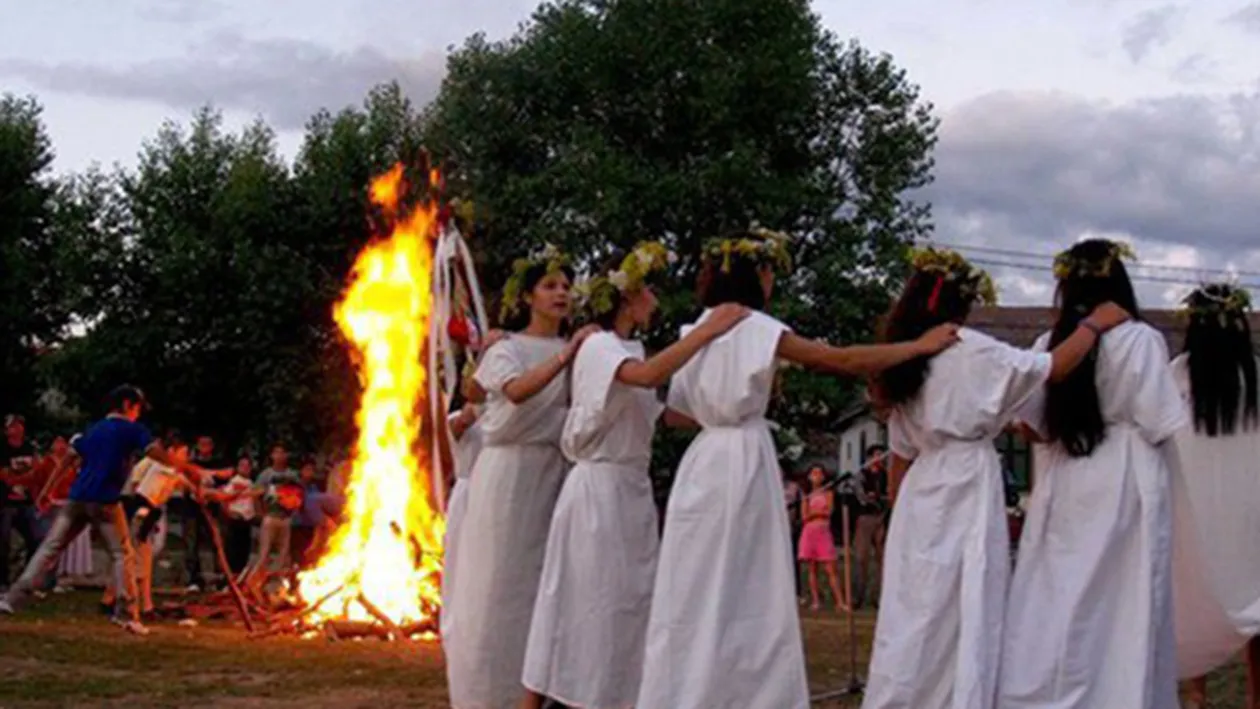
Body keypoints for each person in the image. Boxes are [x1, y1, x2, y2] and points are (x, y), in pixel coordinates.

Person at [636, 228, 960, 709]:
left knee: (695, 583)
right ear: (758, 275)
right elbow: (843, 360)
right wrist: (916, 347)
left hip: (703, 461)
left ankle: (684, 691)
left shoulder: (692, 333)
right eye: (770, 272)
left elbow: (680, 412)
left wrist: (727, 402)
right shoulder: (759, 328)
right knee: (749, 583)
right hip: (743, 461)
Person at [860, 246, 1130, 709]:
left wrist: (894, 513)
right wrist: (1092, 325)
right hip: (966, 479)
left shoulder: (904, 360)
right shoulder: (974, 350)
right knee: (967, 599)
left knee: (916, 607)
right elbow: (1053, 367)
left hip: (923, 487)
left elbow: (901, 453)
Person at [521, 242, 749, 709]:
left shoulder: (627, 348)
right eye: (650, 293)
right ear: (628, 297)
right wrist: (707, 331)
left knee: (624, 607)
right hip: (598, 490)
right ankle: (573, 697)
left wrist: (733, 417)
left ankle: (612, 696)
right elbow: (645, 378)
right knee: (588, 605)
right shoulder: (601, 346)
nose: (657, 302)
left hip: (629, 491)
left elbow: (656, 412)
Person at [999, 240, 1186, 709]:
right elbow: (1159, 421)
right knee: (1123, 599)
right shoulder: (1141, 340)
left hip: (1065, 475)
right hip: (1125, 473)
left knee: (1057, 595)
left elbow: (1032, 428)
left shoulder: (1050, 345)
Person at [444, 244, 599, 709]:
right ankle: (489, 692)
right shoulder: (507, 347)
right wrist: (567, 354)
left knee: (544, 585)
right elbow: (514, 393)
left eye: (567, 286)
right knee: (499, 587)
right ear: (529, 296)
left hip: (554, 473)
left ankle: (540, 691)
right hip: (507, 474)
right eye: (550, 286)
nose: (562, 294)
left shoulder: (580, 351)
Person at [0, 385, 209, 635]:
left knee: (48, 549)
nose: (138, 414)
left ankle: (11, 599)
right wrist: (187, 468)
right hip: (105, 501)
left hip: (77, 497)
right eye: (137, 408)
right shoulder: (132, 430)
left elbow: (68, 458)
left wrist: (47, 491)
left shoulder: (94, 429)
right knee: (123, 555)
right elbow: (154, 453)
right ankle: (126, 613)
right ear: (127, 405)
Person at [1166, 284, 1260, 709]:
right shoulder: (1255, 375)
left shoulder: (1176, 375)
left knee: (1191, 594)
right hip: (1247, 509)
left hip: (1193, 506)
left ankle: (1195, 695)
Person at [439, 400, 483, 644]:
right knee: (459, 558)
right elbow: (458, 427)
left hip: (489, 490)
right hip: (467, 493)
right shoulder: (458, 417)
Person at [241, 444, 302, 593]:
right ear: (272, 455)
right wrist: (260, 513)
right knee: (264, 553)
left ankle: (274, 587)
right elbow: (256, 494)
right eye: (276, 452)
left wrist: (294, 509)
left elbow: (299, 494)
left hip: (285, 518)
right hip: (270, 517)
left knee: (283, 554)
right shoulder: (266, 475)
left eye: (282, 453)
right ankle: (253, 585)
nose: (279, 456)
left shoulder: (292, 475)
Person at [182, 435, 229, 591]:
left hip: (213, 508)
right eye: (202, 444)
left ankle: (221, 579)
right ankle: (194, 579)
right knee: (191, 543)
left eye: (208, 444)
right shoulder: (190, 464)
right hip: (192, 509)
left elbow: (226, 478)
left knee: (217, 542)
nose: (205, 447)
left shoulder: (219, 464)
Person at [798, 464, 847, 612]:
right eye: (814, 472)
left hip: (823, 531)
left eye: (819, 473)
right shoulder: (806, 494)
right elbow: (805, 516)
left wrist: (816, 513)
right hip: (809, 532)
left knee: (830, 568)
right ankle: (815, 601)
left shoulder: (828, 493)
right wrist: (816, 513)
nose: (816, 475)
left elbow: (829, 511)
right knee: (812, 568)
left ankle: (840, 601)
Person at [0, 414, 39, 589]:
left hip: (26, 501)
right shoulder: (2, 449)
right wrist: (24, 479)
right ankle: (3, 580)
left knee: (35, 540)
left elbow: (37, 471)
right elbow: (5, 476)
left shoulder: (29, 448)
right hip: (6, 502)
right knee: (3, 541)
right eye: (13, 426)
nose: (17, 429)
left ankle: (24, 578)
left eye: (19, 425)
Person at [205, 456, 258, 578]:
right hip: (235, 520)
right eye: (242, 465)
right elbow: (224, 498)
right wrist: (228, 512)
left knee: (244, 551)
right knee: (232, 551)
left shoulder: (251, 484)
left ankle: (239, 576)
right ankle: (228, 577)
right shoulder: (234, 482)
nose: (245, 468)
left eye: (247, 466)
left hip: (247, 520)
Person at [851, 444, 888, 608]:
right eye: (877, 455)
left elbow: (890, 494)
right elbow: (861, 496)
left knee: (883, 558)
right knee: (861, 557)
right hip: (865, 517)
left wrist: (881, 498)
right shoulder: (862, 474)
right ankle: (857, 596)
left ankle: (879, 597)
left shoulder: (885, 475)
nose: (881, 458)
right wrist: (875, 498)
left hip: (882, 516)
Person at [783, 469, 804, 603]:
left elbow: (802, 503)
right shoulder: (768, 485)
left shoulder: (794, 487)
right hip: (774, 527)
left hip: (791, 527)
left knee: (793, 559)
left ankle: (796, 592)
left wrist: (798, 521)